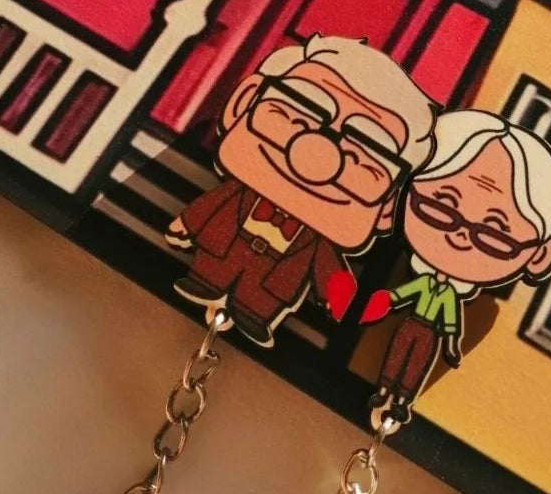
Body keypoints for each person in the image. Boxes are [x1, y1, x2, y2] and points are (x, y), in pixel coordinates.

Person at [166, 35, 436, 346]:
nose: (316, 161)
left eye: (359, 155)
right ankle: (203, 282)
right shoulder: (240, 193)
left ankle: (253, 315)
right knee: (214, 270)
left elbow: (325, 265)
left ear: (389, 204)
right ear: (243, 104)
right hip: (220, 255)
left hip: (273, 286)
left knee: (260, 299)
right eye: (297, 117)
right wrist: (186, 223)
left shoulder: (319, 237)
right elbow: (215, 203)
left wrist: (337, 295)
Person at [364, 109, 551, 422]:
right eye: (442, 206)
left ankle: (402, 399)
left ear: (539, 256)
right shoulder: (424, 282)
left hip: (428, 334)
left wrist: (451, 347)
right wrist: (382, 303)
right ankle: (384, 390)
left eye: (494, 231)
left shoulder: (451, 297)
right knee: (397, 354)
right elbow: (398, 297)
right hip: (410, 324)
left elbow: (451, 325)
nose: (460, 235)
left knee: (417, 363)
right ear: (405, 193)